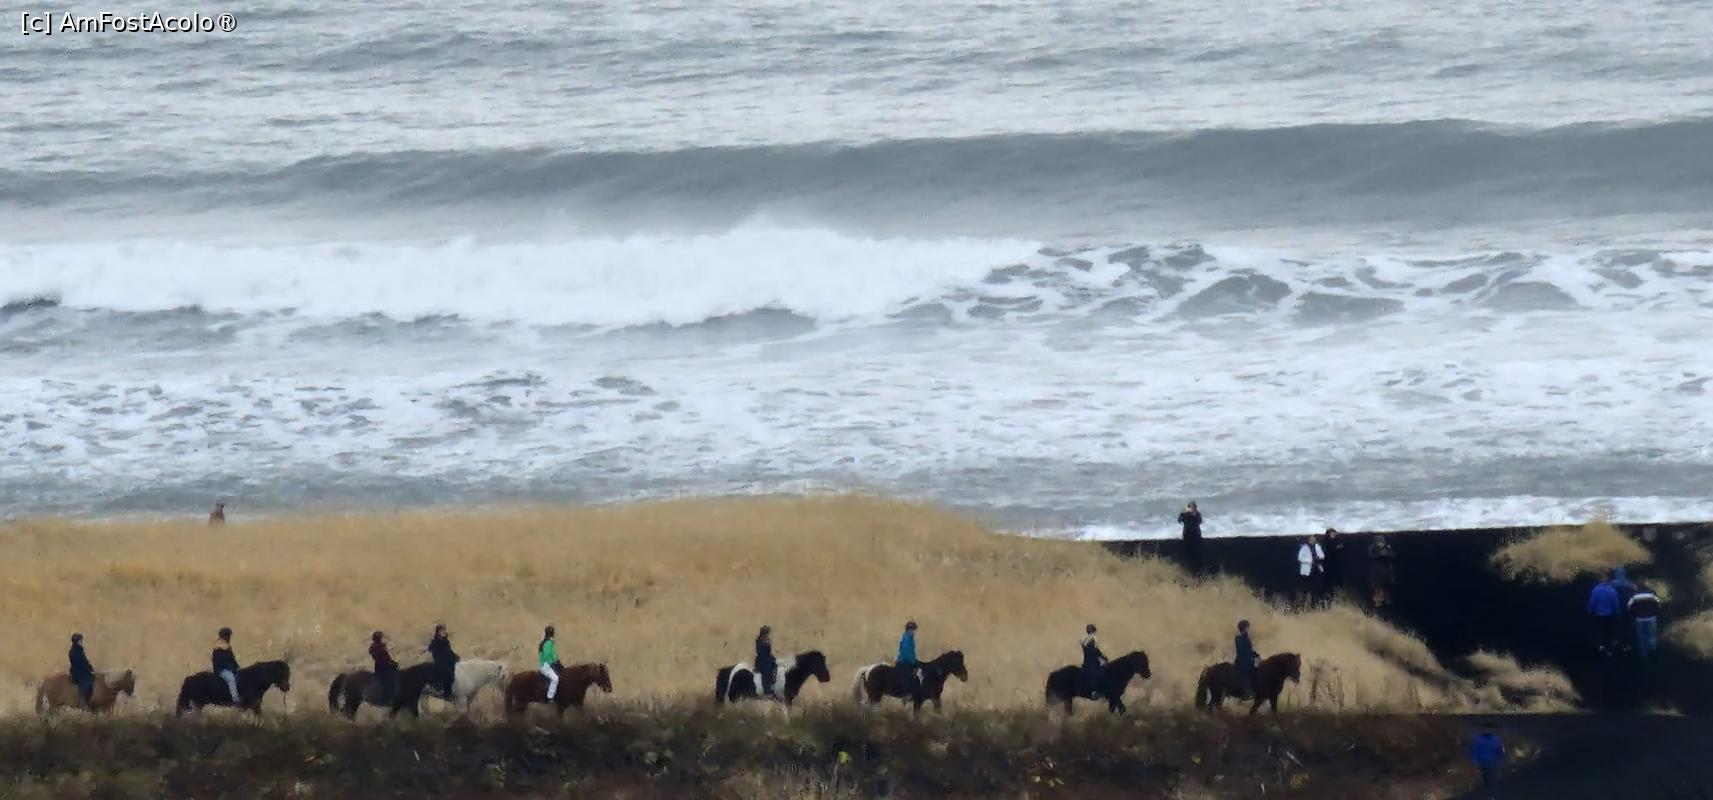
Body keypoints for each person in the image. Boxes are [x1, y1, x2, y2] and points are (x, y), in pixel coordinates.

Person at [1467, 722, 1505, 798]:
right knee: (1490, 779)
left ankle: (1489, 794)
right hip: (1489, 763)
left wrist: (1474, 761)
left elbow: (1474, 751)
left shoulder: (1479, 739)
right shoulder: (1495, 739)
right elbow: (1500, 751)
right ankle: (1491, 794)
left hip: (1486, 763)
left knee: (1488, 779)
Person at [1587, 575, 1622, 654]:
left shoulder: (1595, 590)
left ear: (1599, 581)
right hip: (1610, 615)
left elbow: (1592, 602)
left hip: (1598, 615)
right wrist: (1618, 612)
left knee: (1599, 631)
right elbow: (1616, 604)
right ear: (1608, 581)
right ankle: (1609, 649)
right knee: (1609, 632)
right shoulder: (1612, 590)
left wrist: (1589, 611)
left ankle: (1600, 647)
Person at [1628, 584, 1662, 657]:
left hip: (1639, 619)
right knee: (1651, 635)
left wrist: (1634, 614)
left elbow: (1629, 606)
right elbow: (1659, 604)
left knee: (1641, 636)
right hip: (1651, 617)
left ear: (1638, 588)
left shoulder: (1634, 596)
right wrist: (1656, 612)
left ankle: (1643, 653)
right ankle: (1652, 651)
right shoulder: (1652, 595)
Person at [427, 624, 458, 698]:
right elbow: (434, 651)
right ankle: (447, 693)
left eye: (444, 630)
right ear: (438, 632)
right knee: (446, 674)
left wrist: (455, 656)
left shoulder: (445, 641)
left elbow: (449, 651)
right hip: (440, 662)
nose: (443, 632)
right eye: (441, 630)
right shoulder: (436, 641)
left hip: (448, 661)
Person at [1368, 535, 1398, 608]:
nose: (1380, 544)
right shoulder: (1373, 549)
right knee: (1378, 587)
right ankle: (1378, 602)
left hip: (1387, 573)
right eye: (1378, 542)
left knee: (1387, 588)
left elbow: (1393, 556)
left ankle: (1387, 602)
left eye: (1381, 542)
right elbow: (1371, 556)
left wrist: (1387, 551)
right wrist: (1380, 553)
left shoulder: (1388, 549)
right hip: (1377, 573)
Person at [212, 627, 240, 703]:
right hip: (221, 670)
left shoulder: (228, 646)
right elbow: (218, 662)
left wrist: (237, 667)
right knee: (231, 678)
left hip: (229, 669)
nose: (229, 637)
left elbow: (232, 660)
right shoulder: (218, 648)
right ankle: (235, 699)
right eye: (228, 635)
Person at [1297, 535, 1326, 608]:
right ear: (1308, 540)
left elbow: (1322, 555)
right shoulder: (1304, 547)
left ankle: (1314, 604)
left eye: (1314, 539)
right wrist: (1310, 561)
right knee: (1306, 589)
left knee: (1316, 587)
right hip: (1307, 569)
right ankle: (1302, 605)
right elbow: (1300, 558)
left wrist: (1319, 557)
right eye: (1311, 539)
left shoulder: (1317, 546)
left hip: (1316, 569)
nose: (1313, 540)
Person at [68, 633, 95, 710]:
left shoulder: (80, 650)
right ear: (77, 641)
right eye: (80, 641)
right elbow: (80, 663)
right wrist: (88, 669)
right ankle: (83, 701)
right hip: (77, 672)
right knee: (86, 682)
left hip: (82, 671)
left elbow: (85, 661)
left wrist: (90, 668)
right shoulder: (74, 651)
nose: (81, 642)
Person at [1080, 624, 1108, 699]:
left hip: (1087, 661)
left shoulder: (1084, 639)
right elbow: (1095, 651)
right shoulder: (1093, 638)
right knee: (1100, 674)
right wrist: (1103, 658)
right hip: (1092, 662)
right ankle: (1097, 691)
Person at [369, 631, 398, 702]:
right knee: (388, 679)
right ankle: (388, 695)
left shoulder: (373, 646)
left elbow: (378, 655)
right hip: (383, 666)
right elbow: (385, 656)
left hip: (379, 665)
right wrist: (390, 662)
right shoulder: (380, 646)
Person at [1177, 502, 1204, 575]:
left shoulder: (1197, 514)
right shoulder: (1185, 514)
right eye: (1190, 507)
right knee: (1187, 555)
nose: (1192, 509)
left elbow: (1199, 521)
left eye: (1193, 507)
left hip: (1196, 537)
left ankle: (1196, 570)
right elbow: (1179, 520)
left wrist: (1194, 514)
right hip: (1187, 536)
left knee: (1196, 555)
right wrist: (1183, 513)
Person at [1234, 620, 1258, 697]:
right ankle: (1247, 691)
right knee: (1248, 672)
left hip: (1243, 660)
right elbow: (1243, 651)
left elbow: (1247, 650)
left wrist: (1254, 654)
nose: (1248, 628)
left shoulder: (1241, 637)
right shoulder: (1241, 638)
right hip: (1243, 661)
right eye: (1247, 627)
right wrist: (1252, 655)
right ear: (1244, 628)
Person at [896, 620, 919, 698]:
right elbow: (905, 652)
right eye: (912, 630)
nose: (913, 632)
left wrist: (915, 660)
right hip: (903, 661)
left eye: (914, 630)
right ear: (908, 630)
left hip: (909, 660)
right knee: (908, 675)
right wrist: (913, 661)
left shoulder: (910, 638)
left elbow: (912, 652)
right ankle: (906, 693)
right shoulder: (906, 639)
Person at [754, 625, 778, 697]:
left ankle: (773, 683)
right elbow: (760, 651)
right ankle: (767, 690)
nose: (768, 635)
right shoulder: (760, 641)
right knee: (767, 673)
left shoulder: (765, 640)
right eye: (767, 633)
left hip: (767, 659)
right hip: (762, 660)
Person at [539, 625, 561, 701]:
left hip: (549, 664)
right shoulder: (548, 643)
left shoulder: (549, 642)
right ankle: (550, 697)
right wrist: (553, 663)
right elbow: (546, 655)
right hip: (546, 665)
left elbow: (553, 655)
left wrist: (557, 661)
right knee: (555, 679)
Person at [1321, 528, 1344, 600]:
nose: (1334, 535)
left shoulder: (1336, 540)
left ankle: (1332, 593)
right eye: (1332, 533)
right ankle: (1327, 594)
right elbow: (1329, 550)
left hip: (1335, 563)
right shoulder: (1327, 541)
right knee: (1328, 579)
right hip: (1328, 563)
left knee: (1334, 579)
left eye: (1334, 533)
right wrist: (1337, 548)